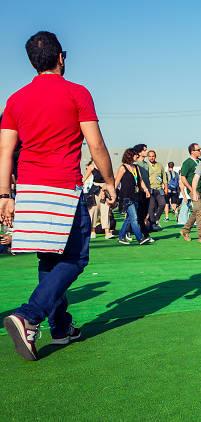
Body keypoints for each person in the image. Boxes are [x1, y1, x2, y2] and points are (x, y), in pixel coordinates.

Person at [0, 31, 116, 361]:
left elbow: (5, 150)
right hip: (63, 186)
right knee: (76, 259)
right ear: (61, 58)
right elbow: (96, 145)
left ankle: (61, 326)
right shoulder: (77, 93)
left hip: (28, 187)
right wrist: (109, 181)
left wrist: (3, 194)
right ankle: (29, 315)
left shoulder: (16, 99)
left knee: (49, 258)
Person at [114, 149, 151, 245]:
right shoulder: (122, 168)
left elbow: (141, 180)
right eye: (136, 156)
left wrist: (146, 190)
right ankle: (140, 238)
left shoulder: (136, 167)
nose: (137, 157)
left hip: (136, 195)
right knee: (134, 217)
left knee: (129, 218)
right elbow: (116, 182)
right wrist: (112, 194)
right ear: (130, 156)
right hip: (126, 196)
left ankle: (121, 237)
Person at [179, 143, 201, 242]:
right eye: (198, 149)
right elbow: (183, 178)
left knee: (196, 211)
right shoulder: (187, 163)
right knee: (199, 211)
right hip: (193, 190)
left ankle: (185, 230)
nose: (200, 151)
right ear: (192, 151)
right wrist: (191, 190)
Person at [82, 160, 113, 239]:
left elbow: (110, 178)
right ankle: (92, 230)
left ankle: (107, 232)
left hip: (105, 189)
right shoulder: (92, 166)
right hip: (95, 189)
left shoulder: (106, 165)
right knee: (93, 210)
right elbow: (84, 178)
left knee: (105, 209)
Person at [146, 150, 167, 231]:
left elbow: (164, 177)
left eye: (153, 156)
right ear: (148, 157)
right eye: (150, 156)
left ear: (155, 156)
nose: (151, 157)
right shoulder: (146, 165)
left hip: (159, 188)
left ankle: (155, 219)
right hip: (150, 188)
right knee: (151, 208)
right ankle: (152, 224)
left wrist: (166, 187)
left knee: (163, 204)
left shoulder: (160, 165)